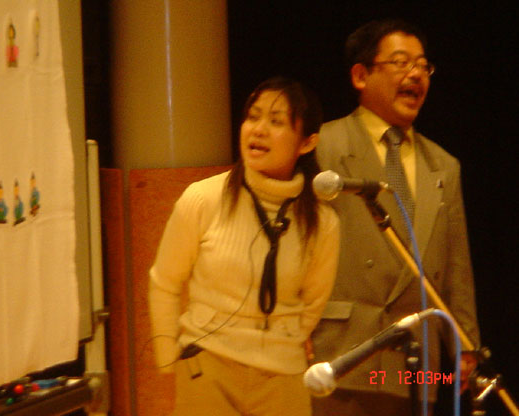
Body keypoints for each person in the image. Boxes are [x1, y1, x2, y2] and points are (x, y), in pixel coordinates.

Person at [311, 19, 480, 415]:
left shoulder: (444, 165)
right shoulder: (323, 145)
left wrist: (465, 344)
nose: (416, 74)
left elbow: (455, 265)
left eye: (423, 65)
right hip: (339, 351)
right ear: (360, 75)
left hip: (415, 363)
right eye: (401, 63)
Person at [149, 77, 340, 416]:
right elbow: (165, 281)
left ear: (307, 142)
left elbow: (313, 303)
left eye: (276, 121)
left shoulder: (323, 222)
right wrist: (168, 358)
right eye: (253, 117)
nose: (258, 129)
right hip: (206, 367)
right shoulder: (202, 198)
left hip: (283, 376)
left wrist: (282, 344)